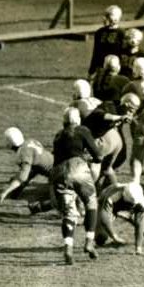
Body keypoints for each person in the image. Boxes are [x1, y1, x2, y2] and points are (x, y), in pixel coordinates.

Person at [50, 107, 104, 265]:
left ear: (64, 121)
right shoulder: (82, 130)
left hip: (58, 172)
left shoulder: (58, 135)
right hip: (78, 167)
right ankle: (89, 241)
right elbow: (98, 156)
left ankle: (68, 247)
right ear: (78, 120)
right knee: (91, 202)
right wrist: (92, 157)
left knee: (69, 212)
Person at [0, 126, 54, 214]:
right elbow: (35, 167)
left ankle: (39, 207)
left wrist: (5, 192)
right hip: (57, 167)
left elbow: (22, 178)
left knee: (61, 200)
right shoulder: (30, 141)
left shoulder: (24, 154)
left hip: (59, 175)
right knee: (17, 179)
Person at [88, 5, 127, 75]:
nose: (105, 19)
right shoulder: (99, 32)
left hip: (115, 68)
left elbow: (124, 53)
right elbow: (96, 52)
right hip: (101, 68)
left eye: (108, 16)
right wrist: (92, 70)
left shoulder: (122, 33)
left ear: (116, 19)